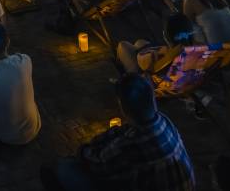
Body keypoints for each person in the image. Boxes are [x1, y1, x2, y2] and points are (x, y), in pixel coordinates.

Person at [41, 73, 194, 191]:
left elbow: (93, 163)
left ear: (123, 108)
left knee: (61, 168)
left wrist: (83, 151)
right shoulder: (164, 121)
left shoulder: (130, 145)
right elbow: (121, 133)